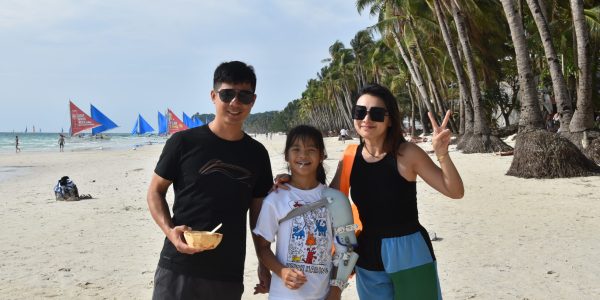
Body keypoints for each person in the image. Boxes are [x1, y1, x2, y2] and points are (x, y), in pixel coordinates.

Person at [273, 83, 464, 299]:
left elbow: (455, 191)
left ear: (390, 119)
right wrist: (292, 179)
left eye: (376, 113)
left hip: (409, 249)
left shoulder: (407, 153)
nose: (366, 119)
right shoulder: (350, 156)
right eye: (360, 112)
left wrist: (442, 153)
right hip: (368, 251)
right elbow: (326, 197)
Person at [146, 61, 274, 300]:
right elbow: (155, 191)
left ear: (253, 101)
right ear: (214, 96)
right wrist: (170, 231)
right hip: (178, 266)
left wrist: (263, 261)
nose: (235, 103)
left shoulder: (257, 154)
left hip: (226, 274)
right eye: (227, 94)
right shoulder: (183, 143)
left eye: (244, 96)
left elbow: (257, 217)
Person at [253, 125, 349, 300]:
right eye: (296, 149)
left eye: (311, 149)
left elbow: (345, 250)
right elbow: (263, 248)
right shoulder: (275, 199)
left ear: (322, 156)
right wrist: (282, 272)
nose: (303, 155)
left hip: (323, 295)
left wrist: (336, 291)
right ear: (287, 156)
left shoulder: (335, 199)